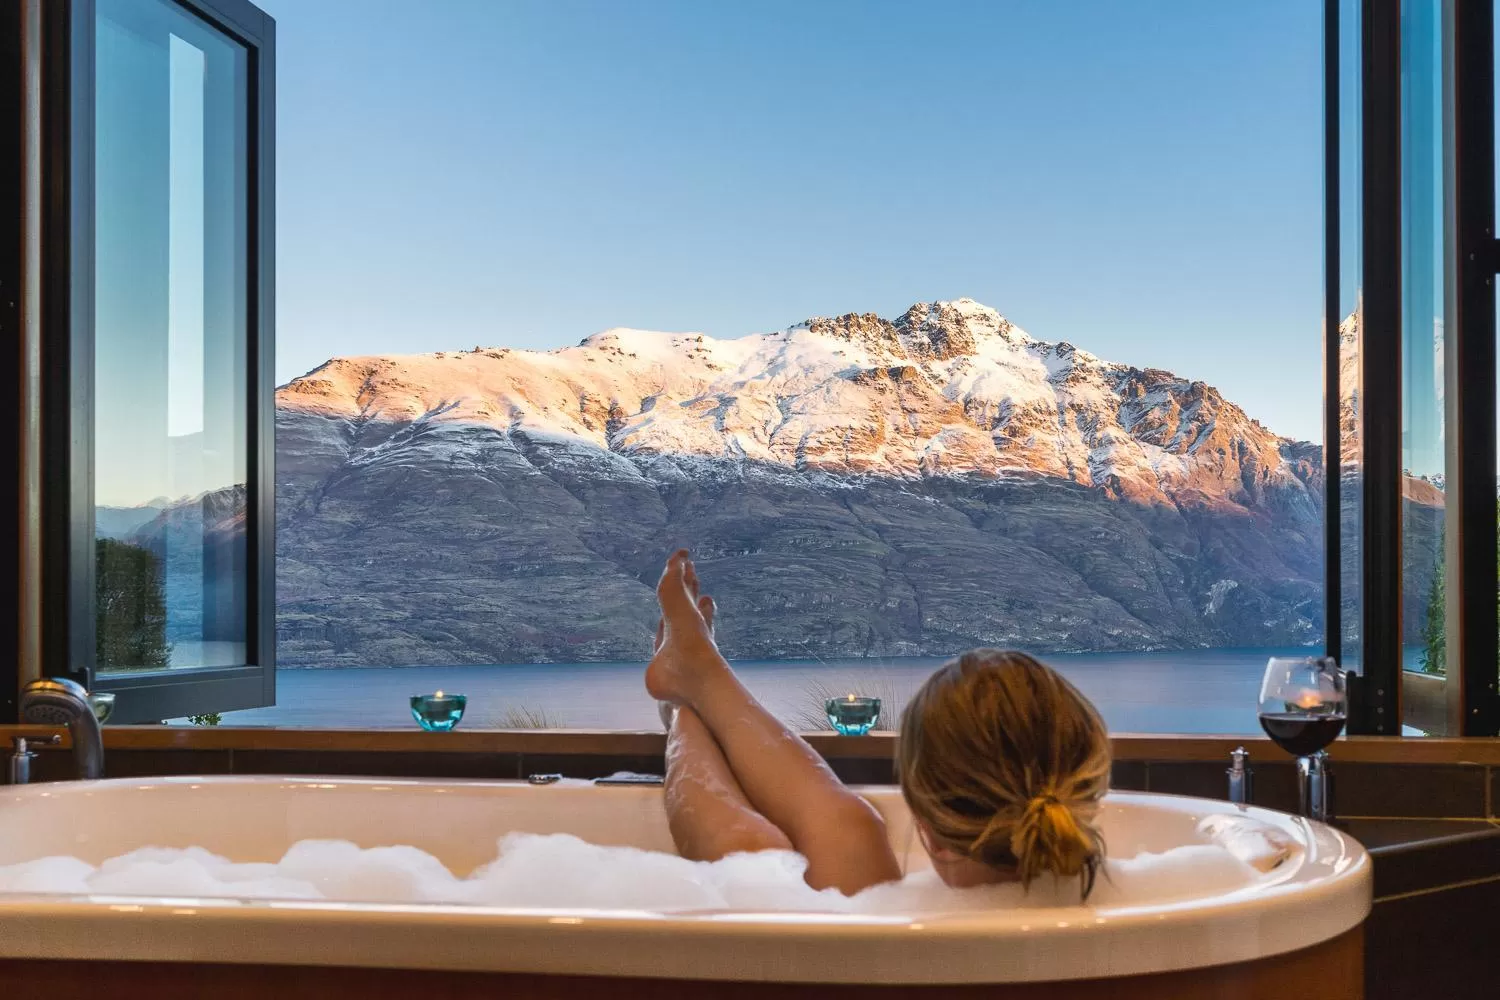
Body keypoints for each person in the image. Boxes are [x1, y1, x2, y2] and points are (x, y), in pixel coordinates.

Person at [648, 550, 1113, 898]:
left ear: (929, 833)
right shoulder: (1137, 901)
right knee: (854, 826)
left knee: (749, 850)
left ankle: (685, 708)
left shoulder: (900, 945)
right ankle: (698, 677)